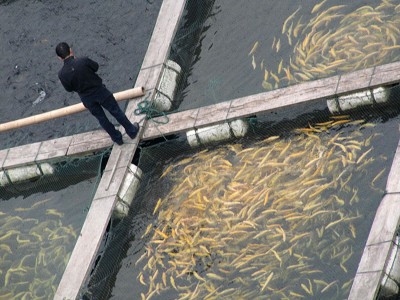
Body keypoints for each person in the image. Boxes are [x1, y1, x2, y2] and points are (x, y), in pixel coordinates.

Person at [56, 42, 139, 145]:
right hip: (100, 91)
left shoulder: (61, 74)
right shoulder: (83, 61)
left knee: (102, 119)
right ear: (71, 50)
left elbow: (69, 89)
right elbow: (96, 67)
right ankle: (131, 131)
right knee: (116, 111)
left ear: (59, 58)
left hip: (86, 98)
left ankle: (117, 138)